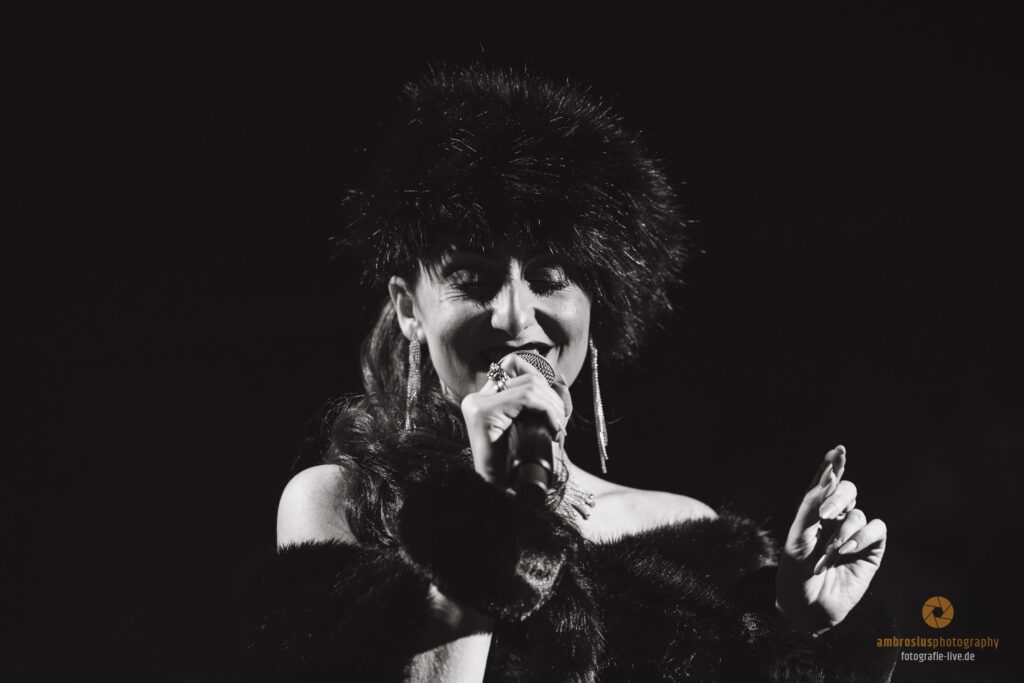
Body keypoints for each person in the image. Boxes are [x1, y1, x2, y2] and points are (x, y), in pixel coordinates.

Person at [240, 63, 897, 682]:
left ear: (594, 306)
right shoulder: (343, 503)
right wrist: (490, 516)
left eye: (549, 277)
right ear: (410, 309)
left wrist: (800, 627)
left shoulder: (686, 532)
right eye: (473, 278)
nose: (514, 316)